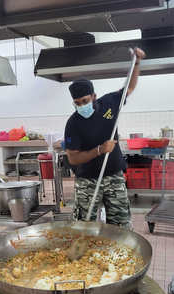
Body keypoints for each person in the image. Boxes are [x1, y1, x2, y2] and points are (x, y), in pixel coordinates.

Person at [64, 47, 146, 229]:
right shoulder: (73, 123)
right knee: (85, 226)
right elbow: (73, 157)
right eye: (77, 103)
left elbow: (129, 87)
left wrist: (137, 62)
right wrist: (99, 150)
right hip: (87, 180)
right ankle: (88, 257)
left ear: (93, 96)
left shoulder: (109, 103)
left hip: (114, 175)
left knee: (120, 225)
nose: (81, 106)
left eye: (85, 101)